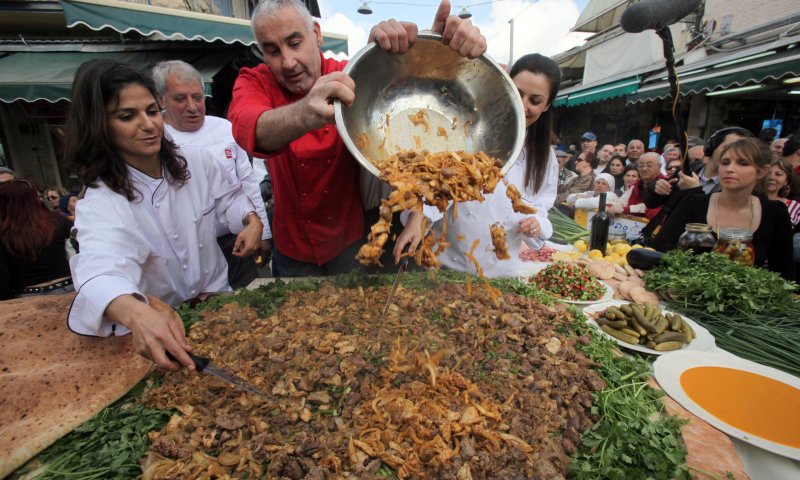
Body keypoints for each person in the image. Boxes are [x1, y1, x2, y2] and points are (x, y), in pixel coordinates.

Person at [227, 0, 486, 277]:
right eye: (272, 50)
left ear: (316, 33)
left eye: (295, 43)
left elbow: (410, 92)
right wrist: (305, 113)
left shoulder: (349, 73)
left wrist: (434, 54)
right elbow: (247, 127)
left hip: (348, 243)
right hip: (291, 247)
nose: (288, 62)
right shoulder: (255, 81)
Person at [63, 59, 263, 371]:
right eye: (127, 116)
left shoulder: (196, 161)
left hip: (222, 308)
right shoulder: (101, 201)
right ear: (99, 125)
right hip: (165, 332)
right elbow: (100, 271)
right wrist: (135, 313)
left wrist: (251, 220)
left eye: (151, 111)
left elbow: (231, 199)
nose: (148, 124)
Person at [392, 53, 560, 277]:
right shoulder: (469, 131)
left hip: (501, 269)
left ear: (547, 106)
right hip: (446, 264)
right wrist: (417, 220)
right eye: (518, 94)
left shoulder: (545, 158)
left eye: (535, 100)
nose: (523, 105)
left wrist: (536, 223)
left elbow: (541, 210)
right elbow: (439, 189)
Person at [152, 60, 271, 288]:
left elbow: (246, 185)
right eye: (180, 99)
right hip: (184, 253)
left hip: (236, 240)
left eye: (197, 97)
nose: (193, 107)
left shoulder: (225, 129)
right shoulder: (156, 141)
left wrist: (262, 230)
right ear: (161, 100)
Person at [652, 137, 794, 280]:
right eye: (725, 162)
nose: (730, 169)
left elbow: (784, 272)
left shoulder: (775, 212)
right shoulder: (694, 203)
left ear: (762, 171)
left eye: (743, 163)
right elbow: (659, 247)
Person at [0, 180, 74, 300]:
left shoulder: (4, 232)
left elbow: (3, 277)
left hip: (27, 298)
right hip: (69, 289)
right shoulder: (58, 220)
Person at [609, 152, 664, 220]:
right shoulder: (634, 186)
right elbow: (621, 202)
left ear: (659, 166)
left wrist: (626, 209)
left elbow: (652, 208)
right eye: (641, 166)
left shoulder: (665, 184)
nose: (644, 169)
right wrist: (612, 206)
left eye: (649, 165)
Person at [764, 158, 800, 228]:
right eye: (768, 173)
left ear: (786, 181)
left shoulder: (794, 206)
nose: (771, 177)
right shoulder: (751, 201)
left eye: (778, 174)